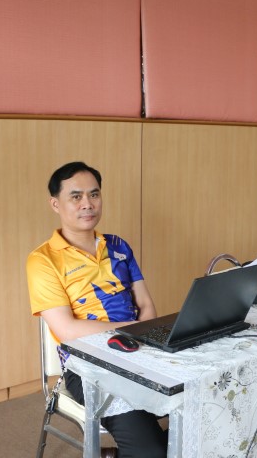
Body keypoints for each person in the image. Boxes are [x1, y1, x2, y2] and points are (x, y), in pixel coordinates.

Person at [27, 162, 167, 458]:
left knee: (205, 408)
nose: (87, 204)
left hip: (139, 350)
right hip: (87, 366)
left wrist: (144, 339)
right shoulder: (43, 260)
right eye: (76, 196)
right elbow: (67, 330)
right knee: (152, 451)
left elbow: (145, 305)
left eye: (94, 194)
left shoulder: (118, 246)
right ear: (56, 204)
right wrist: (134, 331)